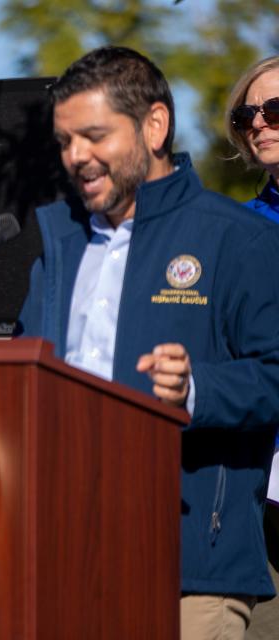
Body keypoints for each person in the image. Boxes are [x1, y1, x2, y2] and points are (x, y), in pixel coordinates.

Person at [16, 46, 279, 639]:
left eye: (93, 135)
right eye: (64, 141)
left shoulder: (238, 240)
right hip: (61, 559)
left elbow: (276, 375)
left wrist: (198, 388)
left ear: (154, 125)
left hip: (189, 572)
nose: (76, 156)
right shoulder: (57, 245)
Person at [225, 56, 279, 636]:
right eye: (248, 114)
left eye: (276, 110)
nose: (260, 123)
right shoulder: (235, 232)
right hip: (258, 501)